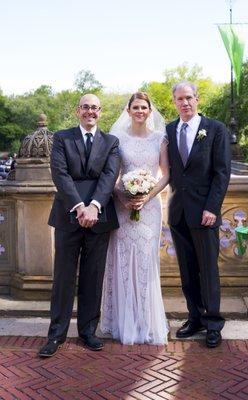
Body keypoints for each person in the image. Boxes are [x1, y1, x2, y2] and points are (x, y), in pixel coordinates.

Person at [38, 94, 120, 357]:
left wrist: (94, 206)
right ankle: (56, 335)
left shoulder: (111, 142)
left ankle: (87, 332)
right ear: (77, 111)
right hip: (67, 214)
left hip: (100, 217)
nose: (90, 112)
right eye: (85, 107)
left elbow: (109, 176)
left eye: (94, 108)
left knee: (92, 277)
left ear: (100, 111)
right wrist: (79, 207)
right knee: (63, 277)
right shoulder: (62, 138)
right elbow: (60, 174)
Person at [100, 92, 169, 345]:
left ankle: (146, 323)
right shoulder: (117, 139)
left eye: (144, 107)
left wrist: (145, 197)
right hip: (122, 207)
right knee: (121, 259)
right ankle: (122, 323)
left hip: (149, 209)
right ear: (128, 110)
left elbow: (165, 175)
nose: (140, 111)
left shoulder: (160, 139)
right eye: (136, 107)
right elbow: (113, 175)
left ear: (150, 111)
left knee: (145, 260)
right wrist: (123, 195)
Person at [166, 81, 231, 348]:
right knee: (187, 270)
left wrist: (212, 208)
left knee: (208, 269)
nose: (185, 103)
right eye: (180, 99)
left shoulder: (215, 129)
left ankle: (213, 322)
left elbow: (221, 173)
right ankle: (195, 318)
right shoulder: (170, 129)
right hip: (179, 212)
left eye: (189, 98)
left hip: (205, 213)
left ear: (198, 99)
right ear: (174, 102)